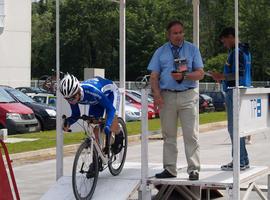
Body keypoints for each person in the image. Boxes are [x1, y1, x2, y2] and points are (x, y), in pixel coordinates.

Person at [148, 20, 204, 180]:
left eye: (181, 32)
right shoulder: (161, 52)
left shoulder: (192, 49)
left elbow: (200, 73)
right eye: (175, 33)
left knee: (190, 134)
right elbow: (154, 76)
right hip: (167, 96)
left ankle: (193, 169)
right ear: (168, 35)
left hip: (188, 95)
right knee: (168, 135)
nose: (178, 36)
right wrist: (157, 95)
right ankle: (170, 169)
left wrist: (184, 76)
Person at [211, 27, 251, 171]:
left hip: (234, 92)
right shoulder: (244, 51)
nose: (224, 45)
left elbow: (238, 74)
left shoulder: (237, 52)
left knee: (234, 128)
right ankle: (243, 159)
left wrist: (220, 76)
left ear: (230, 36)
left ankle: (239, 161)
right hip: (240, 91)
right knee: (237, 128)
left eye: (224, 41)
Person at [60, 74, 123, 154]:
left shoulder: (92, 91)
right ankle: (98, 159)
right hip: (96, 101)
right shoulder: (71, 95)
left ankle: (119, 134)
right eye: (67, 99)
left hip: (110, 93)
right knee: (93, 125)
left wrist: (108, 125)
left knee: (111, 122)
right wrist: (68, 122)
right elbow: (76, 115)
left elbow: (111, 109)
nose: (70, 101)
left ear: (78, 91)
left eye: (72, 98)